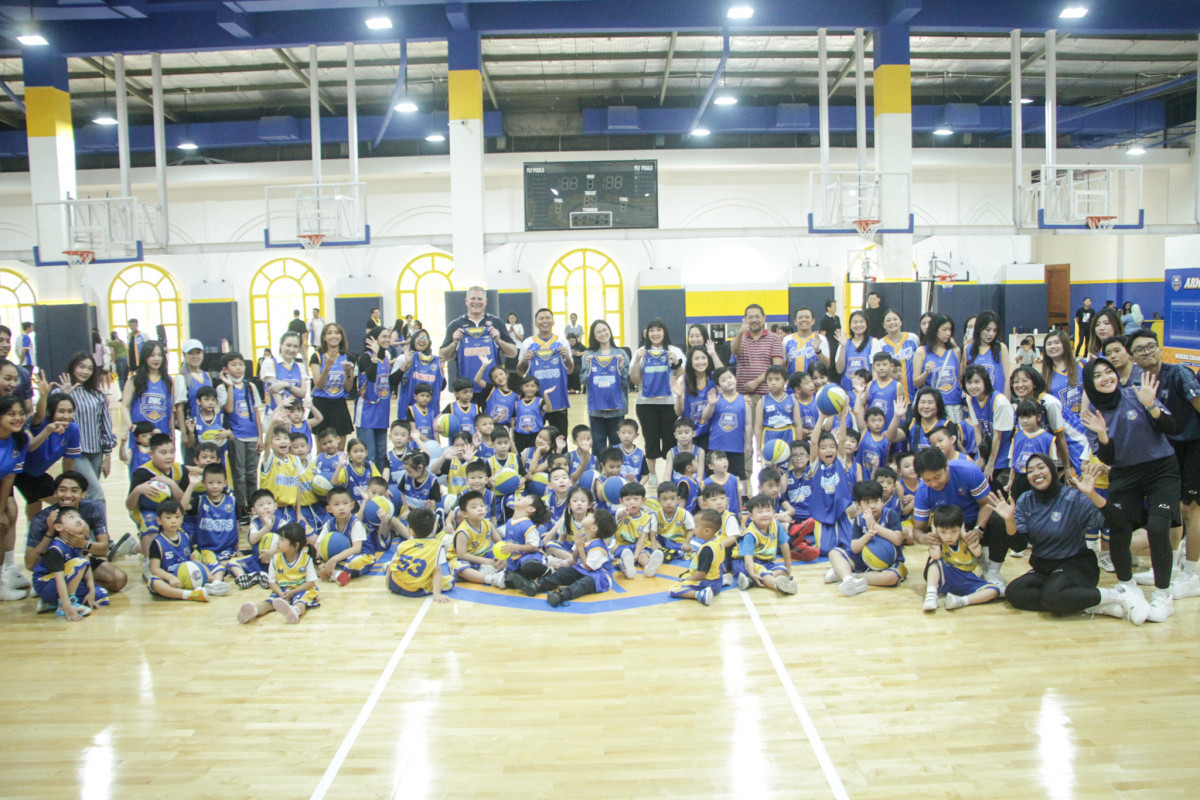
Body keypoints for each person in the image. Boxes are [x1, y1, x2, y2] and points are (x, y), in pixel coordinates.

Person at [1079, 360, 1178, 622]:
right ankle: (1127, 585)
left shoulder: (1137, 394)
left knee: (1158, 527)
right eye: (1097, 375)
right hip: (1124, 472)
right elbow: (1108, 458)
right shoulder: (1092, 416)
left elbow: (1172, 427)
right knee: (1119, 527)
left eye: (1108, 372)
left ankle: (1163, 594)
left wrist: (1151, 406)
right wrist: (1102, 434)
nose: (1105, 377)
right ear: (1090, 384)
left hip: (1161, 468)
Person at [992, 456, 1149, 623]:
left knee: (1052, 596)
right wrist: (1009, 521)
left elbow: (1118, 523)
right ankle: (1088, 604)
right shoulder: (1025, 500)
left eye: (1041, 467)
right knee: (1014, 592)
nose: (1036, 473)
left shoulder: (1073, 498)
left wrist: (1091, 494)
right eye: (1030, 471)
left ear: (1052, 470)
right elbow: (1019, 546)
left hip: (1076, 565)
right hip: (1044, 568)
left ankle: (1120, 595)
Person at [1125, 329, 1200, 600]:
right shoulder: (1137, 382)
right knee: (1174, 511)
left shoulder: (1179, 374)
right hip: (1167, 451)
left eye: (1150, 346)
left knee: (1191, 509)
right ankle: (1169, 568)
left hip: (1193, 446)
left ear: (1159, 349)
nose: (1146, 352)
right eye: (1140, 349)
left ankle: (1193, 574)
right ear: (1133, 357)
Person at [911, 446, 1009, 590]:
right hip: (950, 533)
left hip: (976, 522)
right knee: (931, 576)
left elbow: (987, 504)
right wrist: (923, 538)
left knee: (1001, 519)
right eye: (927, 480)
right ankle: (967, 568)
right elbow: (917, 529)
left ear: (946, 467)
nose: (934, 484)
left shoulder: (968, 471)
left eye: (937, 477)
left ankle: (993, 571)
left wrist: (978, 529)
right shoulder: (922, 492)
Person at [25, 471, 127, 600]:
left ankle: (65, 593)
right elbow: (29, 564)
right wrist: (49, 533)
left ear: (83, 494)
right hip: (53, 567)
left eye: (74, 490)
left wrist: (83, 544)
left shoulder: (93, 509)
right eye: (62, 490)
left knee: (119, 579)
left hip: (78, 559)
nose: (68, 495)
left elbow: (104, 549)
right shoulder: (41, 519)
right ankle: (56, 592)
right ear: (55, 493)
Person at [440, 286, 519, 406]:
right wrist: (454, 342)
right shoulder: (456, 325)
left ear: (485, 302)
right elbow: (442, 356)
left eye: (480, 299)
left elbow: (513, 353)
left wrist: (499, 340)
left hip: (492, 387)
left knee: (493, 418)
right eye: (473, 298)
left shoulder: (496, 323)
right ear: (466, 301)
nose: (476, 302)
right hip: (465, 389)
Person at [731, 303, 785, 476]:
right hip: (743, 397)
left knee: (765, 436)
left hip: (766, 396)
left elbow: (777, 366)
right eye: (750, 317)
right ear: (745, 320)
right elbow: (735, 352)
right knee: (745, 438)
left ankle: (769, 474)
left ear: (764, 318)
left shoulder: (774, 338)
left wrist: (757, 381)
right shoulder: (740, 337)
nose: (754, 320)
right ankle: (745, 477)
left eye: (757, 316)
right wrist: (740, 333)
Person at [827, 479, 906, 596]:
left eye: (876, 501)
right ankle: (848, 580)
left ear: (882, 501)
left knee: (891, 578)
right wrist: (867, 536)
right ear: (859, 505)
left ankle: (850, 576)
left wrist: (873, 525)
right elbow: (854, 548)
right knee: (834, 553)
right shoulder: (859, 519)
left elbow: (898, 540)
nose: (872, 506)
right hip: (865, 559)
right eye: (867, 502)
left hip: (890, 562)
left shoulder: (890, 514)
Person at [56, 351, 116, 507]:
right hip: (75, 452)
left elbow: (106, 425)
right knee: (97, 496)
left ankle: (81, 523)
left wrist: (107, 456)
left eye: (89, 368)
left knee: (85, 495)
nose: (85, 371)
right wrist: (64, 395)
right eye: (81, 367)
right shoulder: (61, 392)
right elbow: (50, 415)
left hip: (96, 452)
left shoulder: (97, 395)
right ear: (73, 367)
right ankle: (101, 524)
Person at [921, 504, 1002, 612]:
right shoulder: (938, 542)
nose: (948, 536)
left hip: (966, 578)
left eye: (953, 531)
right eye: (943, 532)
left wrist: (964, 534)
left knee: (994, 590)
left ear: (961, 527)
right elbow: (935, 555)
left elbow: (978, 553)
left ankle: (960, 601)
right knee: (935, 562)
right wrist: (935, 533)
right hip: (947, 578)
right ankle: (931, 595)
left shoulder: (967, 539)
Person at [630, 318, 684, 480]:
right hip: (646, 405)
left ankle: (670, 474)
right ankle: (652, 475)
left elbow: (683, 377)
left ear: (664, 332)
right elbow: (635, 381)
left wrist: (676, 362)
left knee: (670, 441)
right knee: (651, 441)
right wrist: (637, 361)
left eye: (658, 330)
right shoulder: (641, 352)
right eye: (652, 330)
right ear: (647, 334)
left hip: (669, 404)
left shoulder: (674, 351)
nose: (655, 333)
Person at [237, 522, 319, 623]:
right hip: (282, 590)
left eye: (282, 540)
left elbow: (311, 583)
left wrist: (293, 592)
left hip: (301, 589)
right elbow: (272, 582)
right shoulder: (275, 559)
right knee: (270, 602)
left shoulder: (306, 559)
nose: (277, 542)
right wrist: (280, 592)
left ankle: (295, 611)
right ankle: (253, 610)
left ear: (295, 545)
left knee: (301, 601)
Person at [216, 351, 263, 514]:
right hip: (236, 436)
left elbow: (256, 412)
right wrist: (230, 386)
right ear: (225, 369)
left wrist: (260, 436)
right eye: (234, 365)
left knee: (252, 474)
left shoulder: (251, 386)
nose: (238, 368)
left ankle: (253, 506)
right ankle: (241, 507)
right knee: (239, 474)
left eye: (241, 364)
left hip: (253, 436)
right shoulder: (222, 388)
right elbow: (228, 409)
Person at [519, 308, 573, 436]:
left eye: (548, 318)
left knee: (560, 439)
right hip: (534, 401)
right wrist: (524, 360)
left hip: (558, 400)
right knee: (535, 439)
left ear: (553, 321)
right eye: (541, 318)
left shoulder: (562, 342)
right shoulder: (528, 343)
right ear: (536, 323)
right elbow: (520, 372)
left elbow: (570, 370)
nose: (545, 321)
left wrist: (567, 357)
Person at [580, 319, 629, 451]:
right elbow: (583, 382)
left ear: (609, 331)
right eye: (598, 332)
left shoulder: (621, 354)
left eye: (604, 330)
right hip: (596, 410)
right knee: (598, 446)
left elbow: (626, 383)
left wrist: (621, 368)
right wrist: (589, 369)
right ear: (594, 336)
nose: (602, 334)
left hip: (616, 408)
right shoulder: (589, 356)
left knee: (616, 446)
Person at [385, 508, 451, 601]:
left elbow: (390, 566)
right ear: (433, 528)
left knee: (392, 564)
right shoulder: (438, 546)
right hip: (412, 590)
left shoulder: (403, 544)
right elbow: (437, 571)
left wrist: (388, 585)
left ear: (411, 530)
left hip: (394, 583)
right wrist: (437, 594)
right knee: (449, 581)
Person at [354, 327, 395, 473]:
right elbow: (371, 377)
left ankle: (381, 483)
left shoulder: (386, 358)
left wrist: (403, 366)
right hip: (366, 412)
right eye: (383, 336)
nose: (387, 339)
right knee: (369, 454)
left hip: (382, 412)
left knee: (381, 453)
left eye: (388, 336)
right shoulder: (365, 357)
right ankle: (367, 482)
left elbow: (390, 383)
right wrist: (376, 355)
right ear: (374, 339)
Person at [309, 322, 355, 448]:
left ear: (341, 336)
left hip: (339, 405)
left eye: (336, 333)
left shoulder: (347, 357)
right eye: (329, 333)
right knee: (323, 450)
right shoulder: (317, 356)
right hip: (321, 405)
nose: (333, 336)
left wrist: (348, 373)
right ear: (324, 337)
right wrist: (327, 367)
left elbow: (348, 388)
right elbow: (318, 385)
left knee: (340, 449)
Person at [914, 313, 963, 423]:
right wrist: (926, 373)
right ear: (935, 329)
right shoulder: (921, 351)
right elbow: (916, 383)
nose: (948, 333)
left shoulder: (955, 351)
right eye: (944, 330)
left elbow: (959, 378)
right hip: (932, 406)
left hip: (954, 403)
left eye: (950, 330)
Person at [173, 339, 212, 465]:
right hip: (192, 430)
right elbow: (179, 408)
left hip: (207, 427)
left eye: (198, 352)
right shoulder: (181, 378)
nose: (195, 356)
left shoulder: (207, 376)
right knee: (192, 464)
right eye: (191, 353)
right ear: (184, 356)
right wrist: (184, 433)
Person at [963, 311, 1010, 397]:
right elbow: (963, 377)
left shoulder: (1001, 348)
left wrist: (1006, 400)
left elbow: (1007, 379)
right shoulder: (968, 349)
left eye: (995, 330)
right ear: (979, 328)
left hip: (996, 399)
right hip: (975, 400)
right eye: (988, 330)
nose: (991, 334)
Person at [259, 331, 308, 414]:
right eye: (288, 345)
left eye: (295, 346)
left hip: (296, 415)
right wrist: (284, 414)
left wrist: (286, 385)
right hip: (276, 414)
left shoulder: (300, 366)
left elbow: (303, 393)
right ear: (281, 345)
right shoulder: (270, 363)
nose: (291, 349)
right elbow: (274, 390)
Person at [819, 299, 842, 374]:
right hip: (830, 344)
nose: (836, 307)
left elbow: (839, 330)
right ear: (828, 308)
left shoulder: (837, 318)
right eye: (834, 306)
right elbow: (823, 334)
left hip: (837, 344)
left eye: (836, 306)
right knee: (831, 364)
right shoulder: (824, 320)